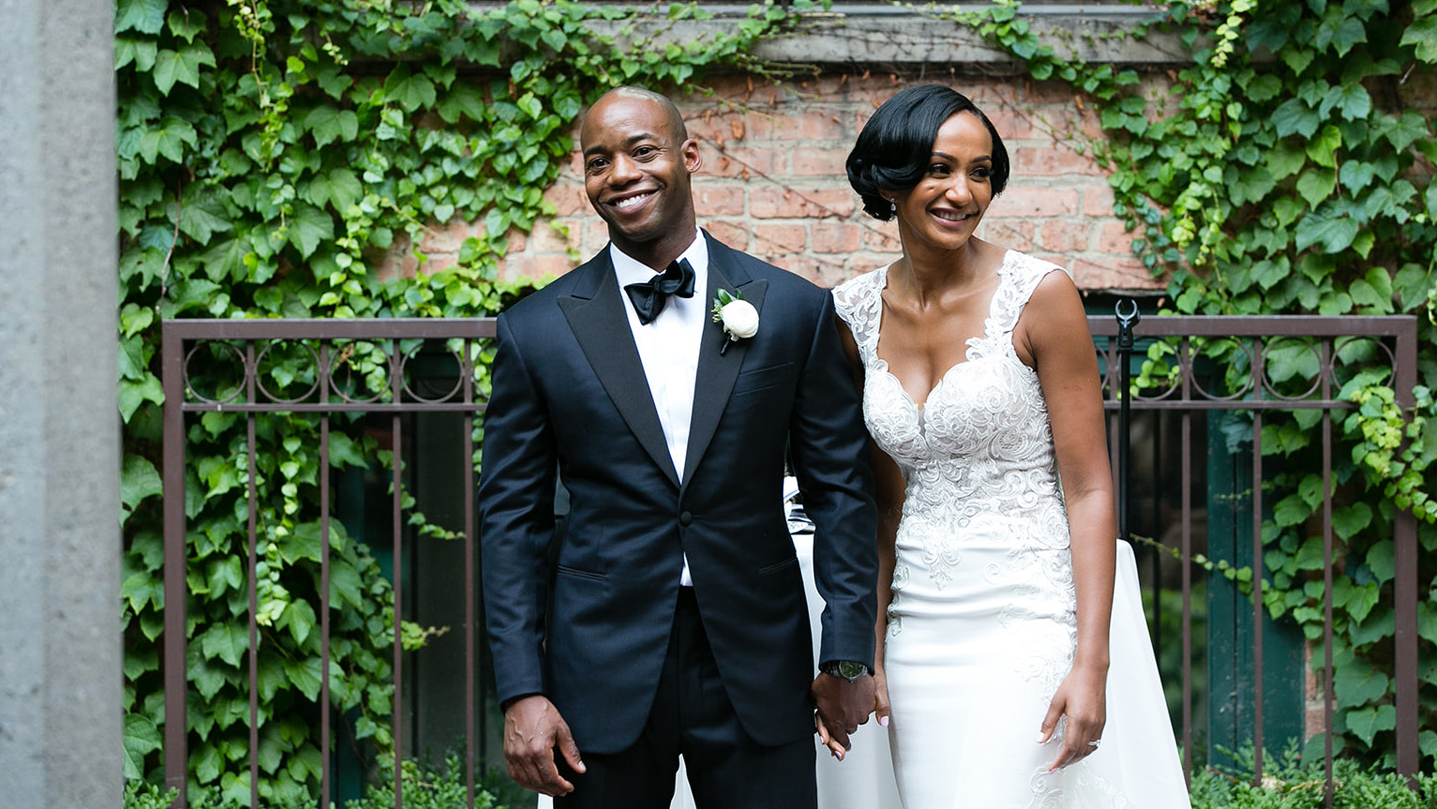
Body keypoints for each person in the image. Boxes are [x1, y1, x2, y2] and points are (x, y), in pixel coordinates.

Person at [478, 86, 880, 809]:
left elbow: (843, 491)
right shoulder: (535, 332)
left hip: (759, 664)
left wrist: (848, 652)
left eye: (642, 150)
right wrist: (521, 690)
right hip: (599, 671)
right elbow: (512, 522)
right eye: (598, 161)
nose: (621, 174)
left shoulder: (793, 312)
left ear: (688, 156)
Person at [829, 84, 1190, 808]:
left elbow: (1089, 487)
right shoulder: (850, 313)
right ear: (890, 178)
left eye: (982, 171)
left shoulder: (1040, 294)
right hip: (916, 628)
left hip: (1026, 621)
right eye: (939, 168)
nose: (963, 192)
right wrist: (866, 649)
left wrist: (1091, 663)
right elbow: (881, 504)